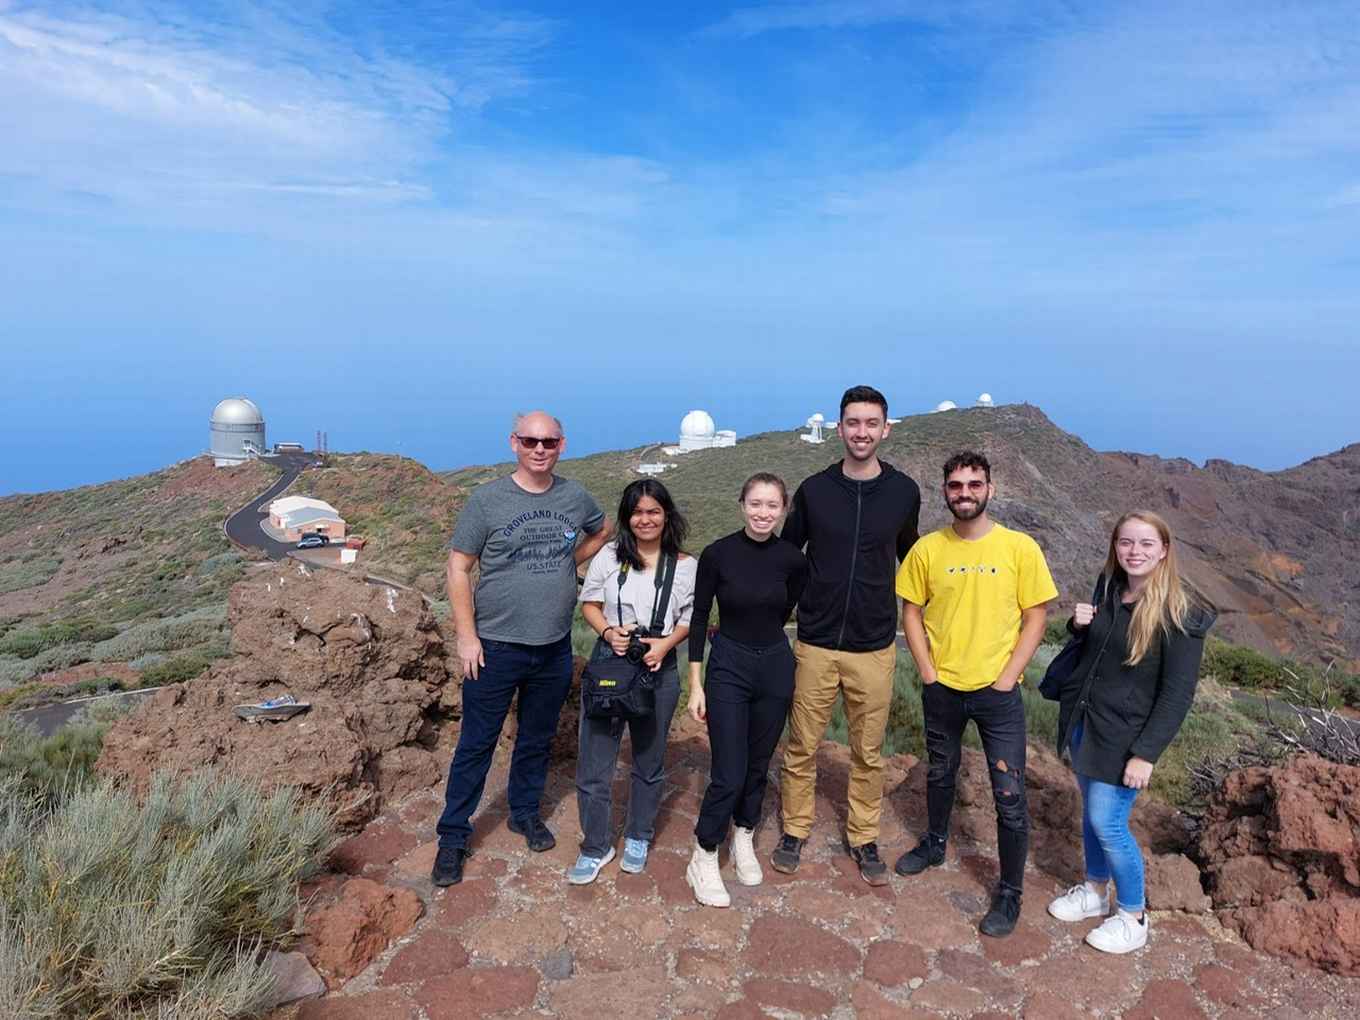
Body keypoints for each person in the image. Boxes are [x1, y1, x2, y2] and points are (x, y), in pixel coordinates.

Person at [432, 411, 612, 886]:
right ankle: (452, 837)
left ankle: (524, 813)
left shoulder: (574, 497)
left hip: (552, 647)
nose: (539, 449)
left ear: (561, 445)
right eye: (530, 440)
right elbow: (458, 568)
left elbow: (603, 528)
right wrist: (466, 636)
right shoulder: (487, 500)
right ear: (513, 442)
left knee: (536, 738)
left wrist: (566, 561)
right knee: (476, 744)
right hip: (493, 647)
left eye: (548, 442)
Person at [894, 451, 1057, 937]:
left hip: (997, 693)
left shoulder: (1019, 548)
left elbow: (1037, 617)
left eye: (974, 484)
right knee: (941, 770)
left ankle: (1009, 892)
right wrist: (927, 671)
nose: (965, 493)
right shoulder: (927, 549)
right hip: (942, 686)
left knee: (1009, 794)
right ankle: (935, 841)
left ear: (990, 488)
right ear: (944, 490)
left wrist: (1008, 677)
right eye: (956, 486)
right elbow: (911, 612)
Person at [1048, 511, 1215, 954]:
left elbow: (1177, 695)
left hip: (1126, 740)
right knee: (1090, 814)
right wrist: (1078, 626)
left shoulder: (1182, 613)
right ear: (1115, 547)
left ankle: (1133, 915)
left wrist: (1146, 753)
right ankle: (1094, 891)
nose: (1134, 552)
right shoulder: (1110, 590)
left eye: (1145, 543)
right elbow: (1098, 652)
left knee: (1108, 822)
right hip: (1088, 723)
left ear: (1164, 550)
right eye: (1126, 542)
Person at [774, 385, 921, 885]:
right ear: (839, 429)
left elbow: (912, 559)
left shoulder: (904, 493)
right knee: (801, 746)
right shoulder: (815, 490)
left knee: (868, 752)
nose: (862, 432)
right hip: (815, 641)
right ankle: (794, 830)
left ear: (885, 429)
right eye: (853, 423)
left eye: (871, 424)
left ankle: (863, 837)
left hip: (874, 644)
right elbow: (789, 557)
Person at [685, 473, 808, 907]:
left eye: (772, 505)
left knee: (758, 764)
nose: (763, 513)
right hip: (729, 665)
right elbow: (700, 618)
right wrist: (695, 683)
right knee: (729, 770)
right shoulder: (718, 554)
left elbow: (785, 608)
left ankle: (743, 836)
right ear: (741, 505)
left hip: (775, 665)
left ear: (783, 510)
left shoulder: (794, 560)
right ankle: (703, 853)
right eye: (755, 504)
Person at [570, 479, 697, 884]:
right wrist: (609, 632)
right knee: (595, 761)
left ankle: (639, 834)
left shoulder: (685, 565)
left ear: (666, 515)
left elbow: (691, 618)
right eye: (637, 512)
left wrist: (664, 645)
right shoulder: (609, 556)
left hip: (660, 668)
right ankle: (596, 844)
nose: (645, 519)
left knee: (648, 759)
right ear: (627, 517)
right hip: (610, 662)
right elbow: (589, 603)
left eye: (653, 511)